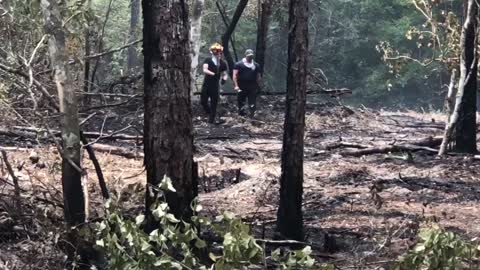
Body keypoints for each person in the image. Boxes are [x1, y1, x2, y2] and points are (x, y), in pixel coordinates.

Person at [201, 43, 228, 124]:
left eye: (217, 51)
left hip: (215, 86)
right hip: (206, 84)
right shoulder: (208, 60)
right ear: (211, 51)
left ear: (220, 52)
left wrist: (224, 79)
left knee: (214, 103)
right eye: (214, 51)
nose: (216, 52)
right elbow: (205, 70)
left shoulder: (222, 63)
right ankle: (209, 113)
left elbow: (225, 73)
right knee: (203, 101)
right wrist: (214, 74)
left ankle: (211, 121)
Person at [233, 49, 262, 118]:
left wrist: (259, 85)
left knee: (252, 102)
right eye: (249, 56)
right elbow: (234, 76)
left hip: (252, 86)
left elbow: (258, 76)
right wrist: (236, 85)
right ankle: (242, 117)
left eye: (251, 56)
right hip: (241, 86)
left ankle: (252, 116)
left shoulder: (256, 65)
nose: (250, 57)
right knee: (241, 102)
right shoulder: (238, 64)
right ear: (245, 55)